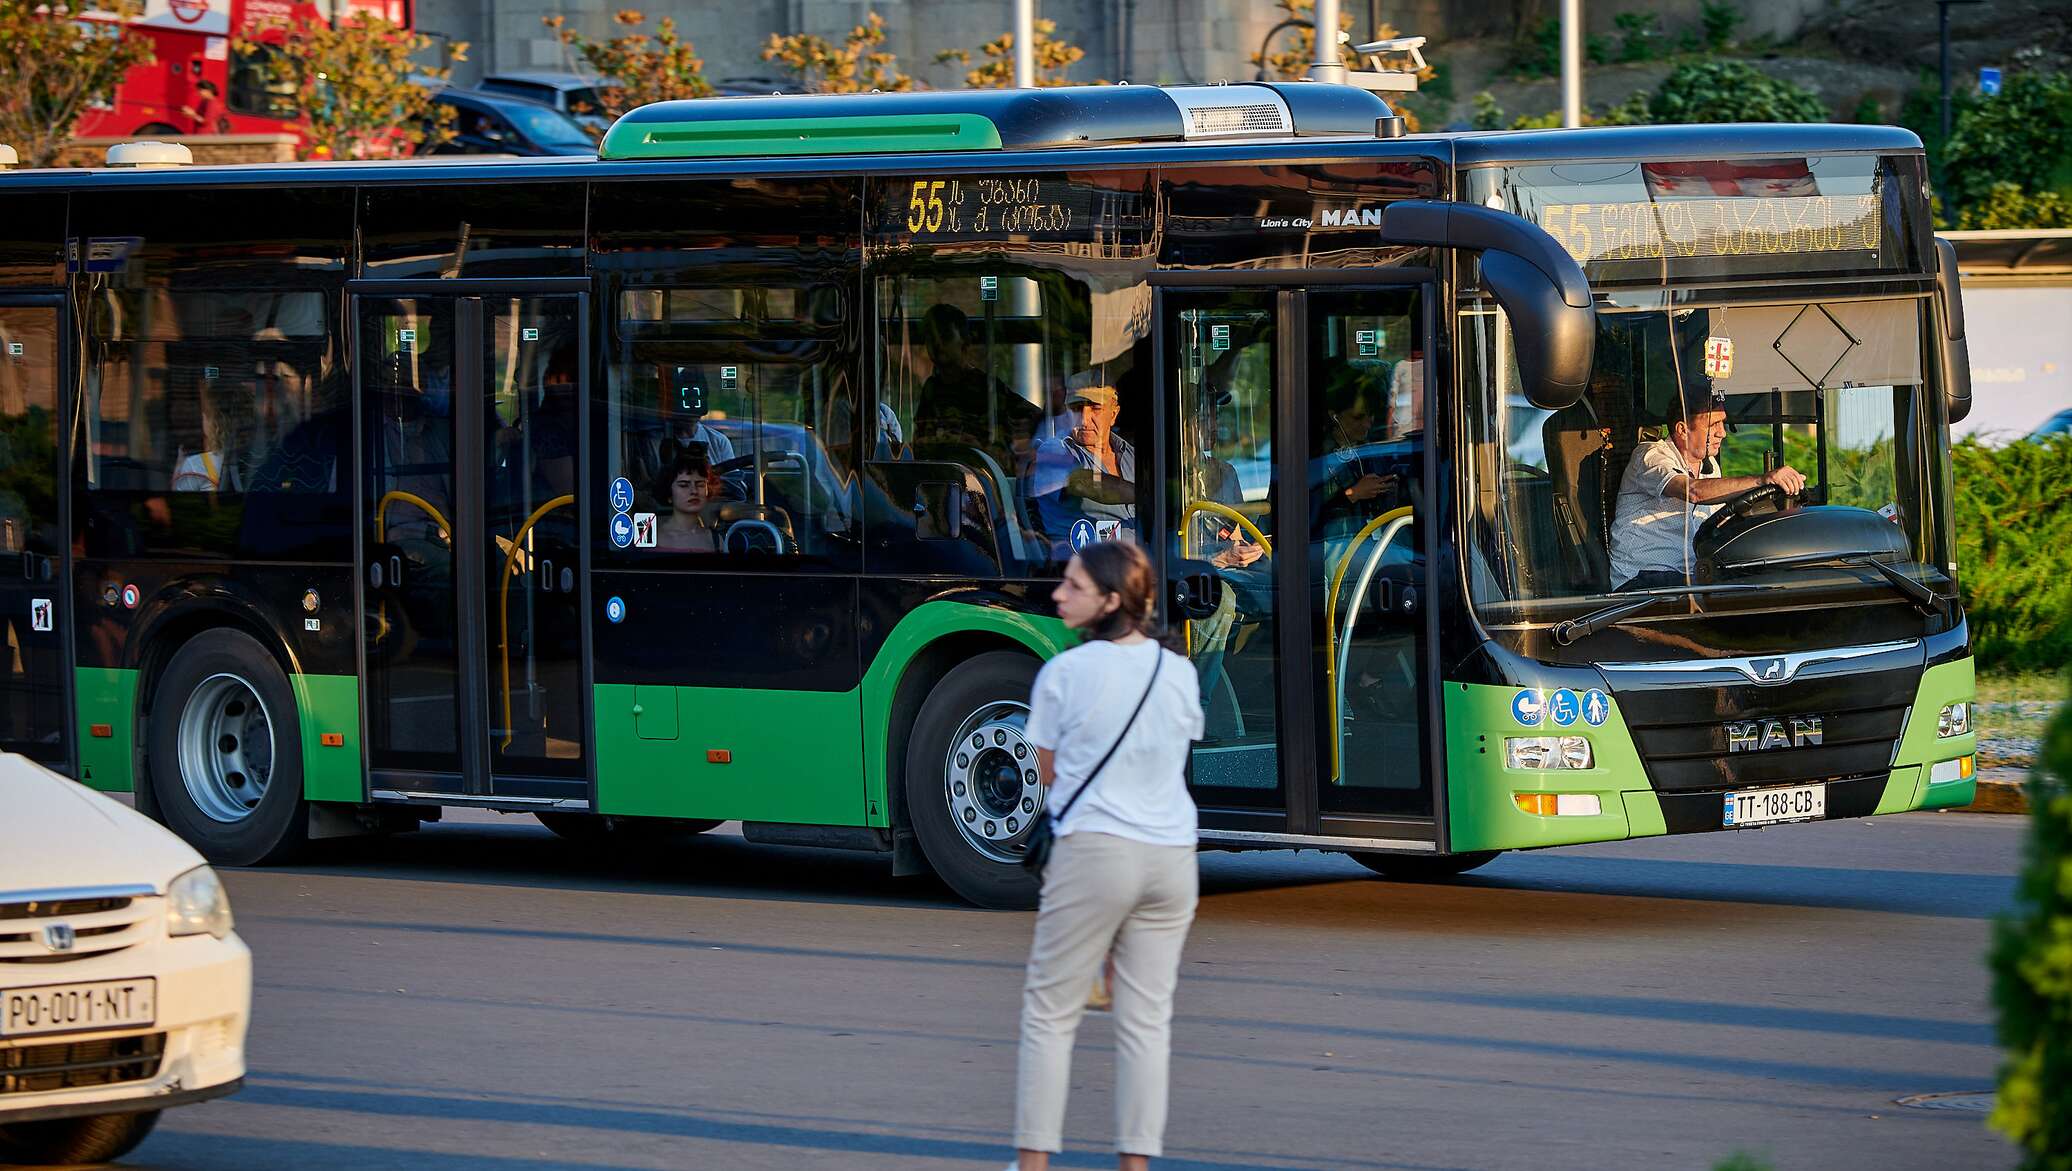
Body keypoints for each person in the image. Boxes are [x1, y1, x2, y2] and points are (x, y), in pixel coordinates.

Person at [1010, 539, 1203, 1171]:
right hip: (1173, 858)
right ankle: (1135, 1166)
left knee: (1050, 1012)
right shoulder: (1178, 671)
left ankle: (1034, 1166)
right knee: (1146, 1023)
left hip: (1097, 851)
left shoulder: (1063, 674)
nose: (1058, 593)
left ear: (1112, 601)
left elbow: (1047, 777)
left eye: (1073, 585)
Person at [1607, 384, 1806, 591]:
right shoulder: (1650, 456)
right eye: (1714, 424)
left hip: (1690, 577)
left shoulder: (1711, 468)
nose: (1723, 433)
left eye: (1723, 423)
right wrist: (1763, 480)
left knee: (1769, 581)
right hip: (1641, 582)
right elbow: (1693, 491)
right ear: (1683, 429)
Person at [913, 303, 1042, 473]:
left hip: (982, 478)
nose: (937, 344)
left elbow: (1035, 419)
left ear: (964, 342)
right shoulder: (931, 389)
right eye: (930, 338)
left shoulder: (986, 388)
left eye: (945, 336)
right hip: (940, 477)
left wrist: (985, 444)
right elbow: (921, 440)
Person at [1025, 369, 1136, 558]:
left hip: (1137, 569)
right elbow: (1082, 482)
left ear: (1114, 414)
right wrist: (1148, 495)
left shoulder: (1131, 455)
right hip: (1081, 571)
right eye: (1076, 408)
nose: (1084, 419)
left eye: (1095, 408)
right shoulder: (1052, 450)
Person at [172, 379, 256, 492]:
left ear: (216, 422)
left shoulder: (195, 465)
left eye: (206, 414)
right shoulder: (258, 459)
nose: (202, 419)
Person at [651, 449, 722, 554]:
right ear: (669, 492)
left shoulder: (715, 540)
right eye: (684, 485)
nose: (694, 491)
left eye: (700, 484)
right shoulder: (648, 537)